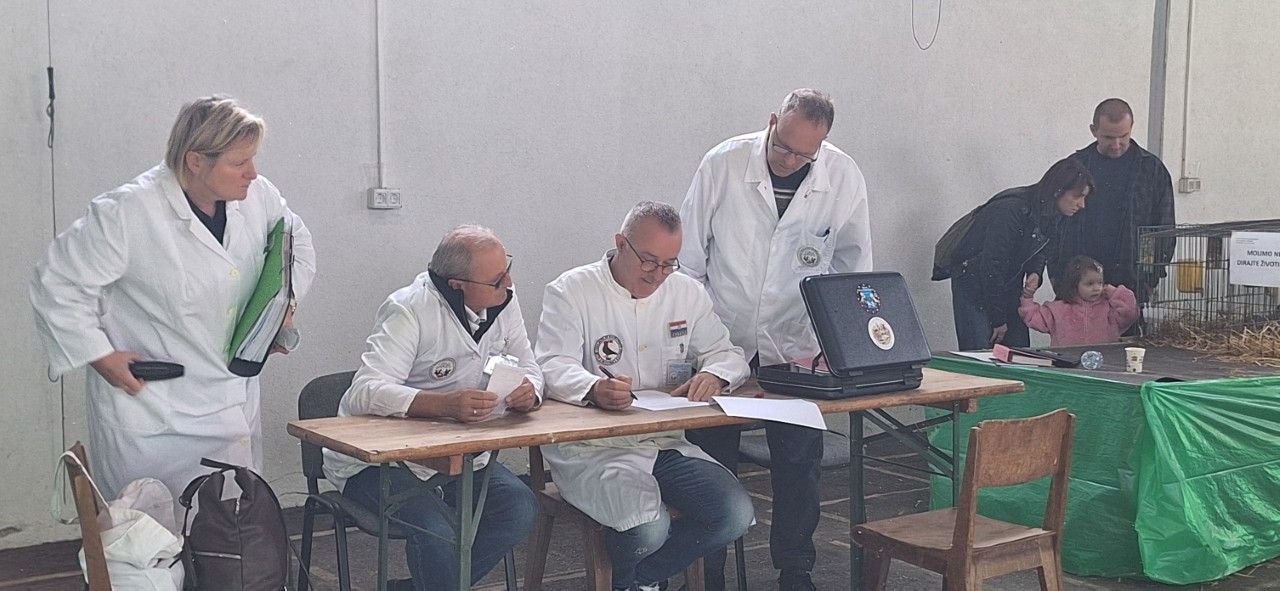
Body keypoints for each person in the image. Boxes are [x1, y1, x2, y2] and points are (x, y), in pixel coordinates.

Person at [30, 95, 316, 501]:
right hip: (155, 417)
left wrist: (279, 311)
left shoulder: (259, 196)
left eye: (253, 159)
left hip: (233, 401)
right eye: (239, 162)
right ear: (195, 161)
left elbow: (296, 245)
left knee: (233, 528)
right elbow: (56, 282)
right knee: (150, 534)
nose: (252, 173)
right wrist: (101, 357)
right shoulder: (128, 212)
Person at [677, 88, 871, 591]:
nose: (789, 161)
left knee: (799, 462)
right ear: (770, 122)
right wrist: (702, 339)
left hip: (796, 344)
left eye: (804, 154)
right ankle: (706, 573)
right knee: (710, 462)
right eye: (783, 146)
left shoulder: (842, 175)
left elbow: (852, 267)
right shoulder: (723, 163)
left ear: (822, 146)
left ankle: (795, 570)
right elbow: (689, 261)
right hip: (722, 338)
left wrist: (837, 343)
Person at [535, 201, 755, 591]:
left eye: (669, 264)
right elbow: (551, 364)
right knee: (648, 528)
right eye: (649, 261)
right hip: (592, 448)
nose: (658, 275)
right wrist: (593, 389)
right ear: (621, 243)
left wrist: (715, 374)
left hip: (664, 442)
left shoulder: (686, 293)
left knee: (733, 515)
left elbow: (728, 353)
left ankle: (636, 582)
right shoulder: (572, 290)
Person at [323, 225, 540, 591]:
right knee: (437, 531)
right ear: (457, 285)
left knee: (519, 508)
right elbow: (365, 391)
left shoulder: (503, 300)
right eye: (497, 280)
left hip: (459, 455)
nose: (509, 283)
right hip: (381, 464)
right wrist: (443, 404)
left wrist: (529, 392)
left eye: (507, 270)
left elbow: (530, 366)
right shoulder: (409, 309)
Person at [1052, 98, 1177, 324]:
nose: (1117, 144)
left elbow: (1164, 230)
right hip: (1076, 285)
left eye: (1124, 136)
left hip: (1130, 282)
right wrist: (1057, 276)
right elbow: (1054, 224)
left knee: (1128, 344)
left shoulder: (1152, 169)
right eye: (1109, 137)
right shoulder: (1075, 166)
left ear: (1132, 128)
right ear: (1094, 131)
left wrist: (1150, 280)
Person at [946, 157, 1092, 350]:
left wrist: (1035, 273)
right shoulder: (1011, 209)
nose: (1082, 205)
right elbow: (992, 265)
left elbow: (1043, 248)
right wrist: (998, 319)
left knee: (1019, 352)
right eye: (1077, 196)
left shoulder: (1054, 212)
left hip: (1006, 281)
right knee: (981, 351)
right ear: (1058, 191)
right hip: (974, 281)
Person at [1019, 255, 1138, 347]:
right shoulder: (1058, 310)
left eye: (1100, 283)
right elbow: (1033, 317)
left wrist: (1113, 292)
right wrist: (1027, 297)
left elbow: (1130, 311)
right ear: (1075, 285)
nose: (1097, 288)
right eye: (1090, 284)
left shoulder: (1109, 309)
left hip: (1105, 363)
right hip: (1066, 365)